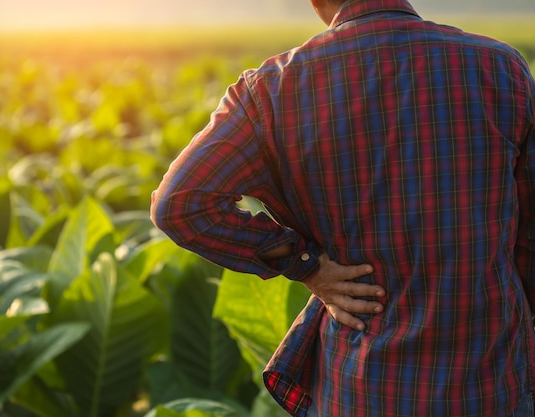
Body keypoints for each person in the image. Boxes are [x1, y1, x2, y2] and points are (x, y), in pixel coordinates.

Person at [150, 0, 535, 415]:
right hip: (488, 383)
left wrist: (306, 264)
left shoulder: (272, 88)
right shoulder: (501, 68)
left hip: (360, 386)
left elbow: (179, 204)